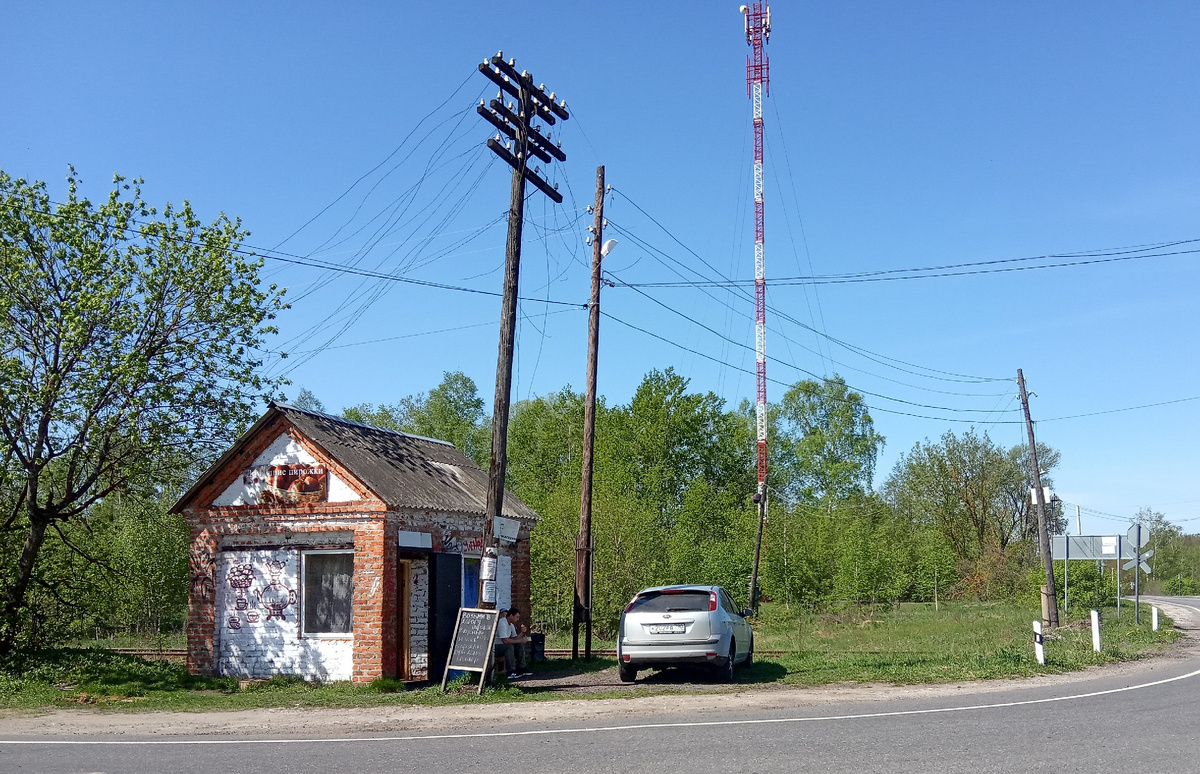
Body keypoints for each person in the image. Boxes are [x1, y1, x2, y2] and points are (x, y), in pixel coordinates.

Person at [493, 607, 531, 679]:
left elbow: (514, 639)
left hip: (504, 644)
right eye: (517, 617)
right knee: (509, 647)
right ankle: (511, 671)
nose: (518, 619)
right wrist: (520, 640)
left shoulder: (511, 625)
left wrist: (522, 634)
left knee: (519, 645)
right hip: (496, 647)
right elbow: (505, 640)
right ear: (511, 616)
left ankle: (521, 667)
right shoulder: (502, 623)